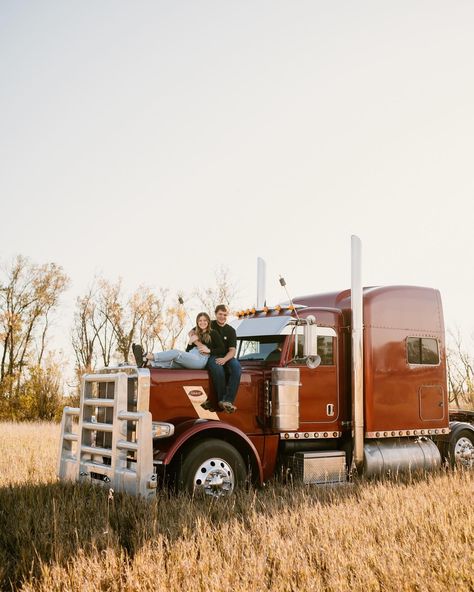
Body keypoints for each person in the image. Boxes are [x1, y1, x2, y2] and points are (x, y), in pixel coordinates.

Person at [132, 312, 220, 370]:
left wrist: (209, 350)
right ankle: (147, 362)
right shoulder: (195, 333)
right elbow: (187, 351)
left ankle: (150, 356)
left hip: (200, 359)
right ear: (197, 322)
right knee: (172, 362)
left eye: (205, 320)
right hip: (192, 355)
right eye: (200, 321)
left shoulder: (213, 333)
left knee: (176, 353)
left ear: (208, 321)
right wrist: (190, 342)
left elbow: (222, 349)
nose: (202, 322)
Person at [205, 304, 241, 413]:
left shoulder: (231, 331)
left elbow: (232, 350)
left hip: (227, 356)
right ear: (216, 314)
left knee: (237, 367)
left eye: (225, 315)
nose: (222, 317)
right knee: (218, 369)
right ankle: (221, 400)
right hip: (212, 355)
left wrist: (225, 359)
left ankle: (228, 401)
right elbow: (193, 331)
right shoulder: (209, 325)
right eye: (220, 314)